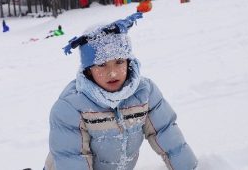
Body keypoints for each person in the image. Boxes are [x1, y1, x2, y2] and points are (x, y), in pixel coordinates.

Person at [43, 12, 198, 170]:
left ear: (128, 62)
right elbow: (72, 158)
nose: (113, 73)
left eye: (119, 62)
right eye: (102, 64)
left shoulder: (145, 93)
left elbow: (167, 134)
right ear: (88, 70)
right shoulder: (71, 107)